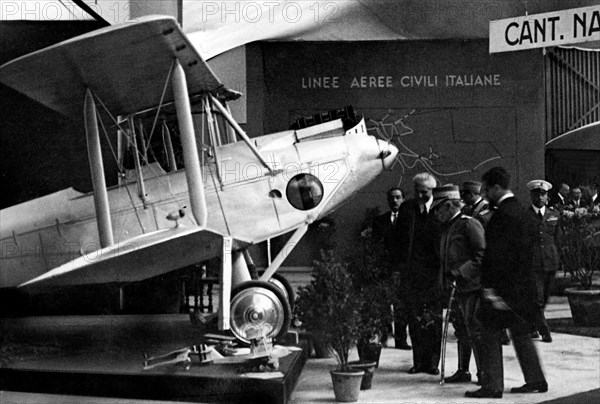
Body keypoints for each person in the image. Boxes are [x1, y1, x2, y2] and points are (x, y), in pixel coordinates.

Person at [466, 166, 547, 399]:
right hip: (524, 288)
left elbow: (497, 257)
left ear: (497, 188)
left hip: (504, 291)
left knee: (488, 332)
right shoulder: (523, 213)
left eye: (487, 189)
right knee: (521, 333)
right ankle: (536, 380)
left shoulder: (502, 216)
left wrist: (491, 289)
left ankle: (492, 385)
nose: (484, 194)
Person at [431, 185, 486, 384]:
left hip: (470, 288)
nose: (435, 214)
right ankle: (464, 370)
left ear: (448, 205)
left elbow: (481, 255)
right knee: (461, 330)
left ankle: (484, 373)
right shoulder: (448, 228)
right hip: (455, 289)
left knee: (475, 330)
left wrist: (459, 273)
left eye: (437, 209)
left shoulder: (468, 224)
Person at [395, 172, 442, 375]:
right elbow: (398, 240)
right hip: (412, 273)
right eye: (417, 192)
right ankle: (419, 361)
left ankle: (432, 363)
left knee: (433, 319)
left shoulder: (441, 209)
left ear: (432, 191)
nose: (420, 195)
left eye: (424, 192)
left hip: (433, 274)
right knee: (414, 319)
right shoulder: (407, 209)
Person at [372, 187, 411, 350]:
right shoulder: (380, 221)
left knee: (401, 305)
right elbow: (376, 245)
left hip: (402, 269)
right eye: (391, 198)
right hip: (385, 268)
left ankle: (401, 340)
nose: (394, 201)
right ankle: (384, 337)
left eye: (398, 197)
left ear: (403, 199)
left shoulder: (410, 220)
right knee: (384, 304)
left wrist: (401, 269)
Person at [526, 180, 562, 343]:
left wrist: (558, 258)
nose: (540, 197)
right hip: (532, 262)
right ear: (531, 196)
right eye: (536, 194)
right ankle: (544, 330)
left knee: (545, 297)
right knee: (537, 298)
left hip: (550, 260)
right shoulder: (524, 216)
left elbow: (558, 239)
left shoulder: (554, 214)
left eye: (543, 194)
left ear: (547, 196)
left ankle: (532, 326)